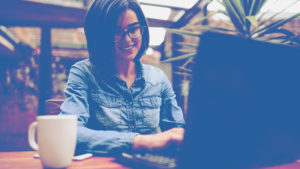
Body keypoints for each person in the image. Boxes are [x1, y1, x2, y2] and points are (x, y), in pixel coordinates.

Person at [60, 0, 185, 155]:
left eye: (133, 29)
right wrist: (142, 141)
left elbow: (178, 132)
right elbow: (70, 133)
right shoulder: (83, 73)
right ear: (100, 36)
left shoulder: (158, 78)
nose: (127, 39)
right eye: (116, 32)